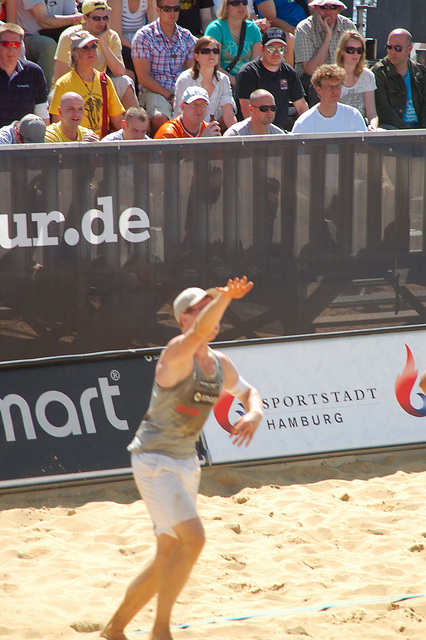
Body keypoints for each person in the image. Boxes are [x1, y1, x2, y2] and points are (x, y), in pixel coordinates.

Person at [100, 276, 263, 640]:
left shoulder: (220, 363)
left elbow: (250, 391)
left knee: (168, 553)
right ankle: (161, 631)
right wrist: (223, 299)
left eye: (208, 306)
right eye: (197, 308)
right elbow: (201, 331)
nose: (206, 312)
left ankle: (114, 630)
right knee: (195, 539)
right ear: (183, 320)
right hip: (155, 459)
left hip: (187, 462)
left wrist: (253, 413)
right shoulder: (176, 351)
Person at [53, 0, 138, 109]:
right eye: (97, 18)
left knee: (124, 82)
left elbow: (119, 72)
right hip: (72, 87)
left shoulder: (111, 36)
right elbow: (59, 78)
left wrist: (101, 41)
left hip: (98, 86)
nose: (102, 23)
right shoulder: (69, 36)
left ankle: (136, 125)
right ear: (85, 18)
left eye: (105, 18)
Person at [131, 0, 197, 135]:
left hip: (181, 89)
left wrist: (181, 96)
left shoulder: (187, 37)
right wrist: (170, 96)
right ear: (158, 10)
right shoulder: (143, 36)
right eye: (167, 9)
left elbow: (190, 73)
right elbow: (143, 77)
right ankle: (159, 154)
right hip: (155, 90)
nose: (172, 13)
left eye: (176, 9)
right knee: (159, 118)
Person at [49, 30, 125, 138]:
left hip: (101, 145)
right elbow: (57, 123)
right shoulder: (63, 84)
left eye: (93, 46)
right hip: (76, 146)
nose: (91, 51)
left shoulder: (104, 80)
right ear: (74, 55)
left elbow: (117, 119)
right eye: (85, 48)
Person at [234, 27, 307, 129]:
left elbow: (302, 107)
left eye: (281, 49)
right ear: (262, 49)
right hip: (251, 132)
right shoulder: (247, 73)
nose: (276, 53)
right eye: (271, 48)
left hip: (279, 131)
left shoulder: (289, 73)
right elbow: (247, 111)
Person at [294, 0, 356, 106]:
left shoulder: (348, 26)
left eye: (333, 7)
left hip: (343, 76)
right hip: (311, 80)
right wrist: (328, 36)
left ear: (339, 10)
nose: (328, 11)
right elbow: (311, 70)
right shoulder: (304, 28)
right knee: (319, 85)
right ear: (316, 9)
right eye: (323, 7)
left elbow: (355, 60)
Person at [174, 35, 236, 131]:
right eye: (206, 51)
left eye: (215, 51)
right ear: (196, 56)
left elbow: (229, 115)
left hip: (211, 130)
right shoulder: (185, 79)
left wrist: (239, 138)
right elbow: (181, 114)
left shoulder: (223, 79)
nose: (212, 54)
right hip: (186, 132)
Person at [16, 0, 82, 87]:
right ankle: (49, 93)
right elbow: (44, 21)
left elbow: (73, 17)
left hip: (58, 34)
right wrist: (83, 18)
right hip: (30, 37)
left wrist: (82, 19)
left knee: (83, 40)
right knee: (48, 45)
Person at [372, 28, 426, 130]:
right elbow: (384, 111)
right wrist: (408, 132)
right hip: (395, 129)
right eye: (389, 47)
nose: (392, 52)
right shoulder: (379, 72)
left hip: (420, 128)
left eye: (398, 48)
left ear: (409, 49)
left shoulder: (421, 73)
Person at [291, 63, 367, 133]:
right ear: (319, 90)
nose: (335, 91)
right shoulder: (304, 123)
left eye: (337, 86)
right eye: (330, 87)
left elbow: (364, 145)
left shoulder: (353, 115)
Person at [0, 22, 49, 127]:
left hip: (25, 140)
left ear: (21, 47)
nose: (11, 49)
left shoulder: (34, 72)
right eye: (6, 44)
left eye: (16, 44)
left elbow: (42, 114)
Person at [204, 0, 262, 88]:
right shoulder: (215, 29)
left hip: (246, 82)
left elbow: (255, 64)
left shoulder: (253, 29)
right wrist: (236, 83)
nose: (241, 6)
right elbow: (214, 66)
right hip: (219, 82)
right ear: (225, 7)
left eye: (244, 3)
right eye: (235, 3)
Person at [335, 29, 378, 131]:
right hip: (338, 129)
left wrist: (373, 126)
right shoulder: (332, 76)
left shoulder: (368, 76)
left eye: (359, 50)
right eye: (350, 50)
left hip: (361, 128)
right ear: (342, 52)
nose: (355, 54)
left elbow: (372, 113)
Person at [108, 0, 155, 82]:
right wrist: (138, 50)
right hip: (122, 45)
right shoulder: (115, 1)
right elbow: (117, 36)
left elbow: (154, 28)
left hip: (142, 43)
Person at [154, 84, 221, 137]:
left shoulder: (209, 130)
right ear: (182, 107)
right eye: (194, 104)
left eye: (203, 105)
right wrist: (202, 140)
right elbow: (176, 155)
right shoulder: (168, 132)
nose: (199, 109)